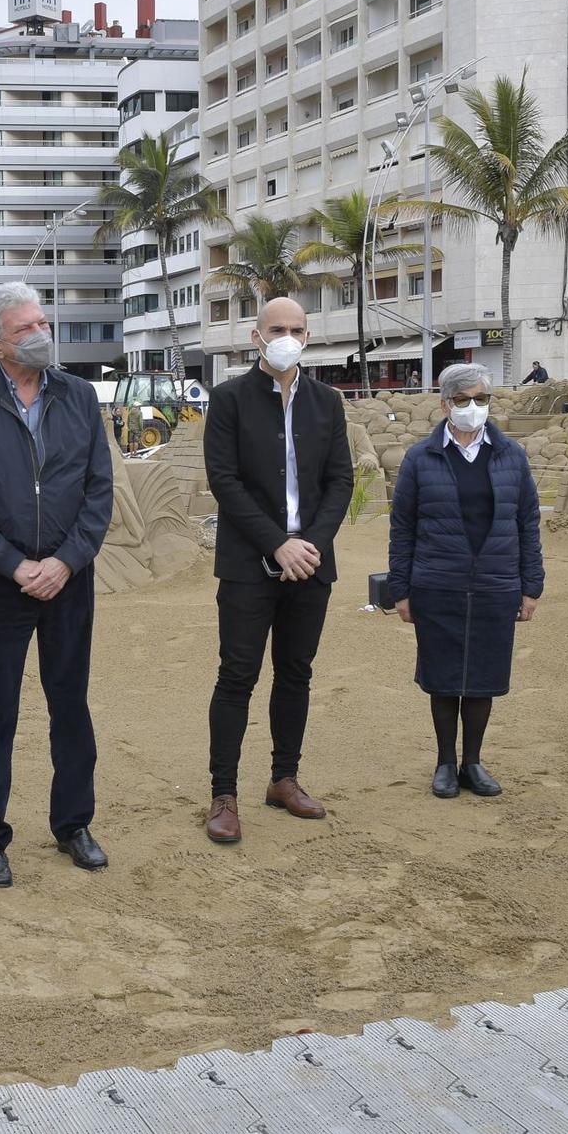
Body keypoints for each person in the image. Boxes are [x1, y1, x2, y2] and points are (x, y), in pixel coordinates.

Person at [0, 281, 114, 888]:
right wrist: (14, 566)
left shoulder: (80, 396)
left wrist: (65, 562)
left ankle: (74, 825)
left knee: (71, 705)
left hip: (70, 580)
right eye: (25, 329)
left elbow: (99, 491)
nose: (41, 335)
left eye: (42, 322)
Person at [199, 297, 353, 843]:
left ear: (308, 336)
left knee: (296, 673)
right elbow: (225, 481)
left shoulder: (327, 402)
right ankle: (224, 794)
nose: (288, 336)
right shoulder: (229, 399)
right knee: (236, 676)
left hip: (311, 565)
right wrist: (276, 544)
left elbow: (340, 482)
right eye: (277, 329)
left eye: (298, 328)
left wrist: (308, 545)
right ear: (256, 336)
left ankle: (284, 778)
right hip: (247, 564)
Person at [387, 363, 545, 800]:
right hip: (438, 581)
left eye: (480, 399)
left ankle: (472, 762)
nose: (472, 408)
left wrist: (531, 585)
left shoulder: (510, 454)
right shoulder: (422, 457)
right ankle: (444, 763)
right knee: (443, 677)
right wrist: (400, 589)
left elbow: (528, 521)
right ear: (444, 404)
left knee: (482, 677)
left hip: (497, 582)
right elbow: (402, 526)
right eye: (462, 400)